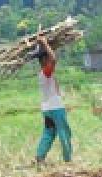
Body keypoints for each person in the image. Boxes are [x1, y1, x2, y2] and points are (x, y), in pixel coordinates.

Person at [35, 34, 72, 165]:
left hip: (47, 109)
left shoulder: (42, 74)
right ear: (44, 59)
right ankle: (68, 160)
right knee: (64, 133)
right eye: (48, 57)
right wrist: (45, 43)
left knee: (49, 133)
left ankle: (40, 157)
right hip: (56, 109)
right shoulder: (46, 71)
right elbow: (54, 59)